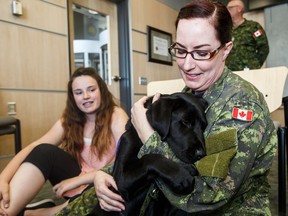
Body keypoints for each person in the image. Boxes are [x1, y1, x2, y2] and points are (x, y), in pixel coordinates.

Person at [55, 0, 277, 215]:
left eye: (201, 53)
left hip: (219, 210)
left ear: (226, 49)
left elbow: (207, 195)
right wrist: (102, 174)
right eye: (181, 50)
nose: (187, 65)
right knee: (85, 203)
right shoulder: (190, 94)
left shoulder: (241, 105)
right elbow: (139, 152)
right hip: (161, 197)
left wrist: (148, 134)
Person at [0, 67, 128, 216]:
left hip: (105, 181)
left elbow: (127, 158)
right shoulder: (69, 121)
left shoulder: (116, 115)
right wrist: (3, 178)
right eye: (79, 93)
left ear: (101, 91)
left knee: (99, 203)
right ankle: (6, 211)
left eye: (91, 90)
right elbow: (34, 146)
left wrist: (78, 181)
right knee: (43, 151)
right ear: (73, 97)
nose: (86, 96)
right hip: (77, 180)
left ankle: (35, 213)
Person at [226, 0, 269, 71]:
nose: (227, 10)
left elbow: (264, 48)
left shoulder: (253, 27)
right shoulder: (227, 30)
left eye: (230, 8)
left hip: (249, 71)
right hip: (231, 73)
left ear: (239, 9)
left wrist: (255, 65)